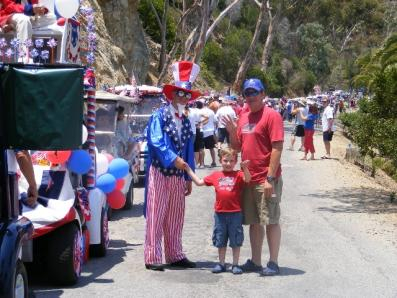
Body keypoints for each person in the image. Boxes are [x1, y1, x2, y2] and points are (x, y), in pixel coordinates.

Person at [224, 78, 284, 276]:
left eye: (254, 93)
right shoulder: (243, 116)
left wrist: (270, 178)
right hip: (248, 178)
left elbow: (277, 148)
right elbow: (237, 147)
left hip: (265, 179)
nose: (250, 97)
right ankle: (256, 261)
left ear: (263, 94)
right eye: (247, 93)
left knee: (271, 220)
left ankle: (273, 262)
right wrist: (232, 132)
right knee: (253, 221)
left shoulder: (272, 116)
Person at [144, 60, 199, 271]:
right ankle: (152, 256)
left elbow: (188, 149)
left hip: (177, 174)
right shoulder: (159, 115)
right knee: (157, 213)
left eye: (187, 95)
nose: (184, 97)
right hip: (160, 170)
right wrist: (173, 158)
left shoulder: (185, 121)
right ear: (172, 94)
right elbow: (155, 141)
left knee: (176, 214)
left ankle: (175, 254)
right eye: (180, 93)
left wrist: (188, 176)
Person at [185, 148, 251, 275]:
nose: (228, 163)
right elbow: (199, 182)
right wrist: (188, 170)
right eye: (225, 160)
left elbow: (248, 179)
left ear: (235, 162)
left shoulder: (239, 174)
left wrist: (245, 168)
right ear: (220, 160)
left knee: (236, 240)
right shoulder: (215, 175)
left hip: (235, 214)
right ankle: (221, 263)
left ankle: (235, 264)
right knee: (220, 240)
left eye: (231, 161)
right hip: (220, 214)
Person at [201, 101, 217, 167]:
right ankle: (213, 162)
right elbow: (215, 121)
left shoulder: (200, 111)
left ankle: (202, 163)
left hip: (202, 131)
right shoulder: (211, 112)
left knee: (201, 149)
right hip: (210, 131)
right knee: (211, 148)